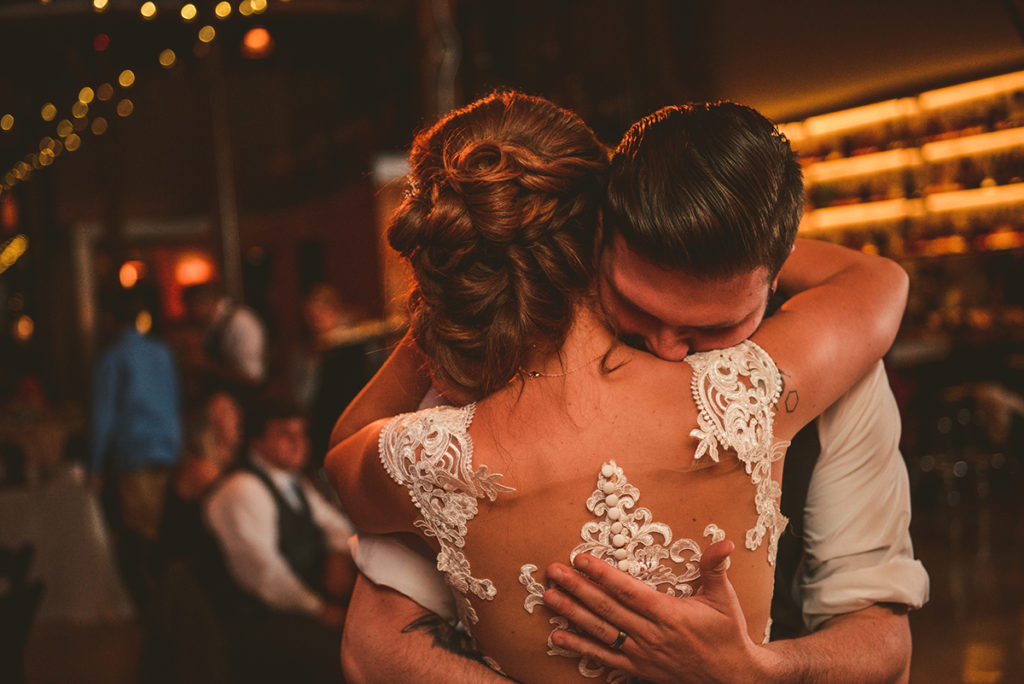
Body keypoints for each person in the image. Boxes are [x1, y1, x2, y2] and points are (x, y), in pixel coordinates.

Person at [325, 92, 913, 682]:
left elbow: (885, 642)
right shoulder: (755, 390)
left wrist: (756, 671)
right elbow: (374, 647)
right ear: (596, 237)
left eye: (714, 325)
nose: (669, 347)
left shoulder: (429, 446)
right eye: (638, 304)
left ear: (774, 272)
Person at [202, 396, 357, 684]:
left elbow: (335, 524)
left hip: (299, 603)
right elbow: (264, 575)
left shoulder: (292, 481)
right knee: (348, 657)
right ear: (257, 442)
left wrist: (337, 553)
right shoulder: (243, 489)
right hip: (259, 621)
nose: (299, 442)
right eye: (286, 434)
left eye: (302, 433)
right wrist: (320, 609)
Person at [88, 286, 183, 609]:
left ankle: (153, 613)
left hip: (136, 454)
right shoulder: (162, 352)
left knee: (139, 538)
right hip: (169, 451)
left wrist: (95, 466)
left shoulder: (113, 357)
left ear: (110, 318)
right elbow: (174, 402)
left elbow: (104, 415)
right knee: (164, 533)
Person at [182, 281, 268, 400]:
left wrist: (205, 365)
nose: (188, 314)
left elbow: (253, 377)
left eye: (190, 308)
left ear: (203, 302)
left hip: (248, 400)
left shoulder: (240, 322)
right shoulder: (211, 326)